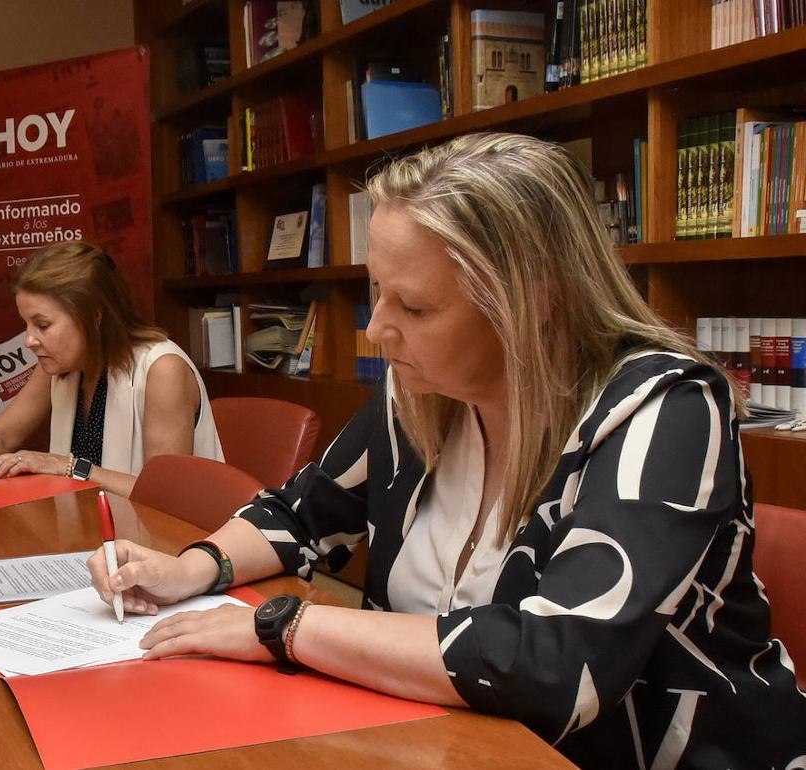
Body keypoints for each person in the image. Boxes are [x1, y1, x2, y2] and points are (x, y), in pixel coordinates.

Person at [87, 133, 806, 768]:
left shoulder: (666, 409)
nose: (377, 332)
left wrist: (284, 626)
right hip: (448, 743)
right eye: (377, 293)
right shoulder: (422, 392)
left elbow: (559, 667)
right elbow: (300, 514)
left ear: (534, 300)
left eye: (418, 307)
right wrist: (188, 568)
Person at [0, 240, 222, 498]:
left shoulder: (162, 370)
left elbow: (165, 496)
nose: (29, 340)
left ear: (94, 316)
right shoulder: (61, 364)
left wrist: (69, 467)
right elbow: (2, 433)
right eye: (26, 324)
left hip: (173, 553)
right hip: (96, 538)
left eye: (43, 324)